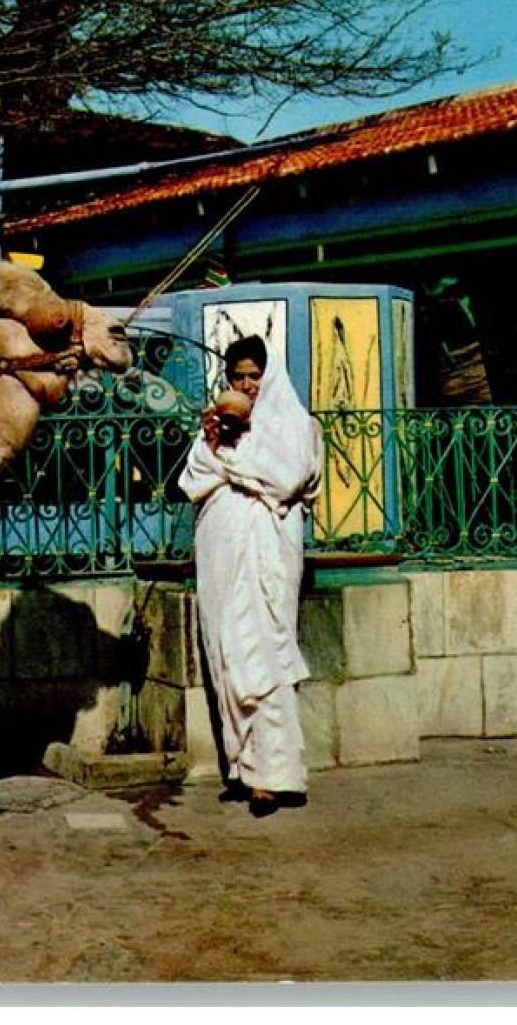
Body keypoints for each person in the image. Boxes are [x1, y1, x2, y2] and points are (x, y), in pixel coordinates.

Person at [178, 335, 324, 817]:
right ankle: (243, 768)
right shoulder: (219, 426)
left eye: (253, 377)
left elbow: (286, 481)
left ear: (269, 377)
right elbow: (194, 480)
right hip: (221, 550)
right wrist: (218, 444)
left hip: (267, 554)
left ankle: (276, 776)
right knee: (227, 654)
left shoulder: (294, 425)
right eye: (237, 377)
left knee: (266, 655)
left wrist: (233, 459)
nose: (245, 386)